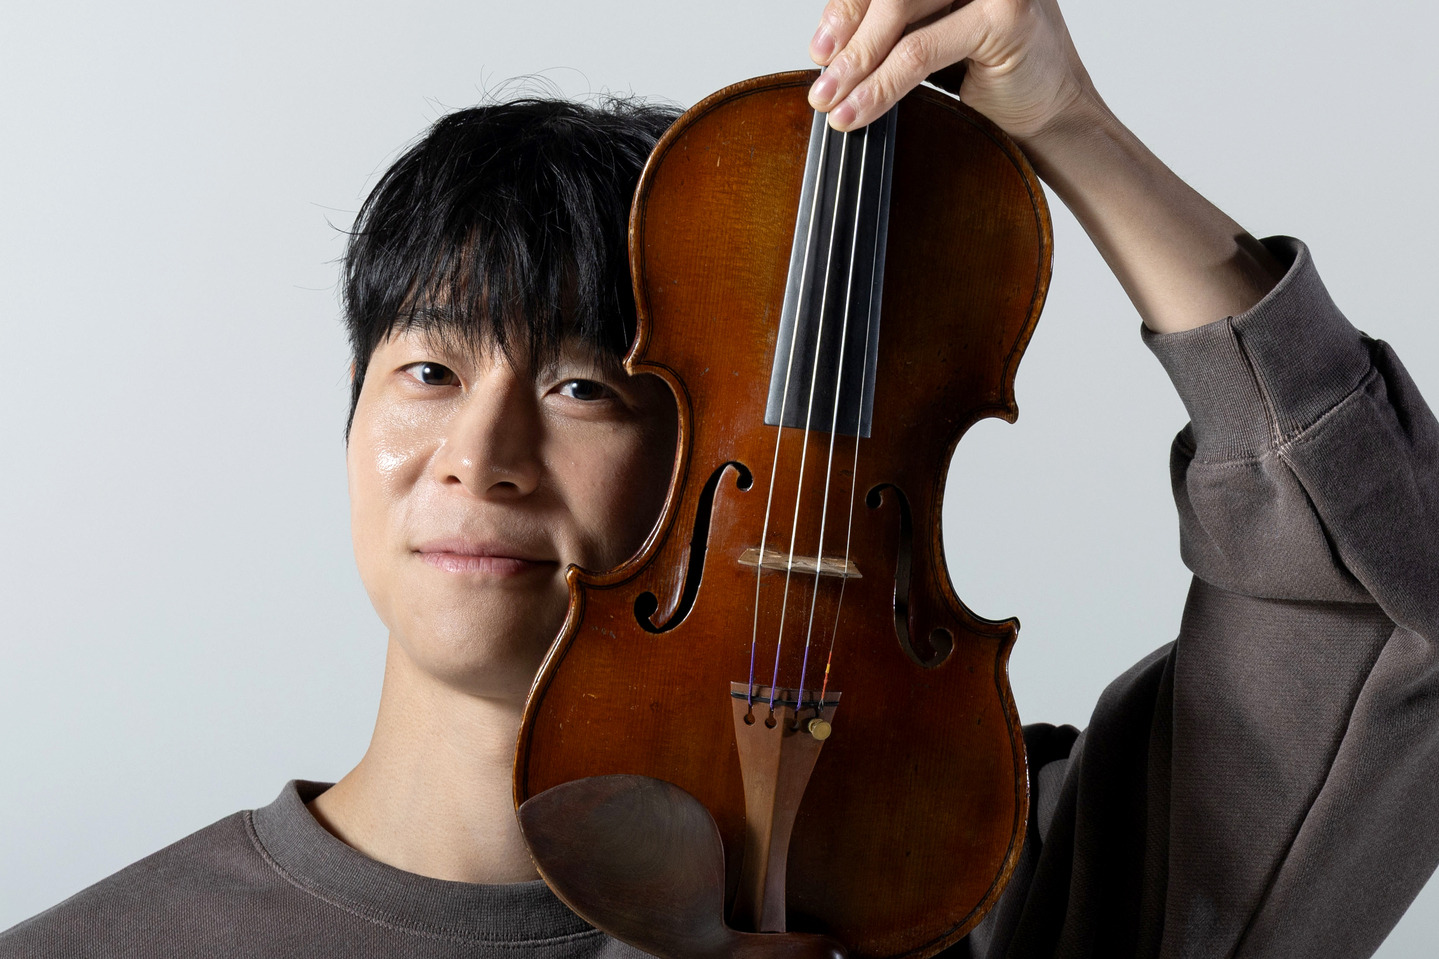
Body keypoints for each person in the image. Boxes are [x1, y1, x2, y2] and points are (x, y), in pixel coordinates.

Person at [2, 0, 1435, 956]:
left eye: (582, 388)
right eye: (428, 372)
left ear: (711, 452)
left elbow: (1383, 612)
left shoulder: (964, 886)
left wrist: (1071, 128)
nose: (482, 461)